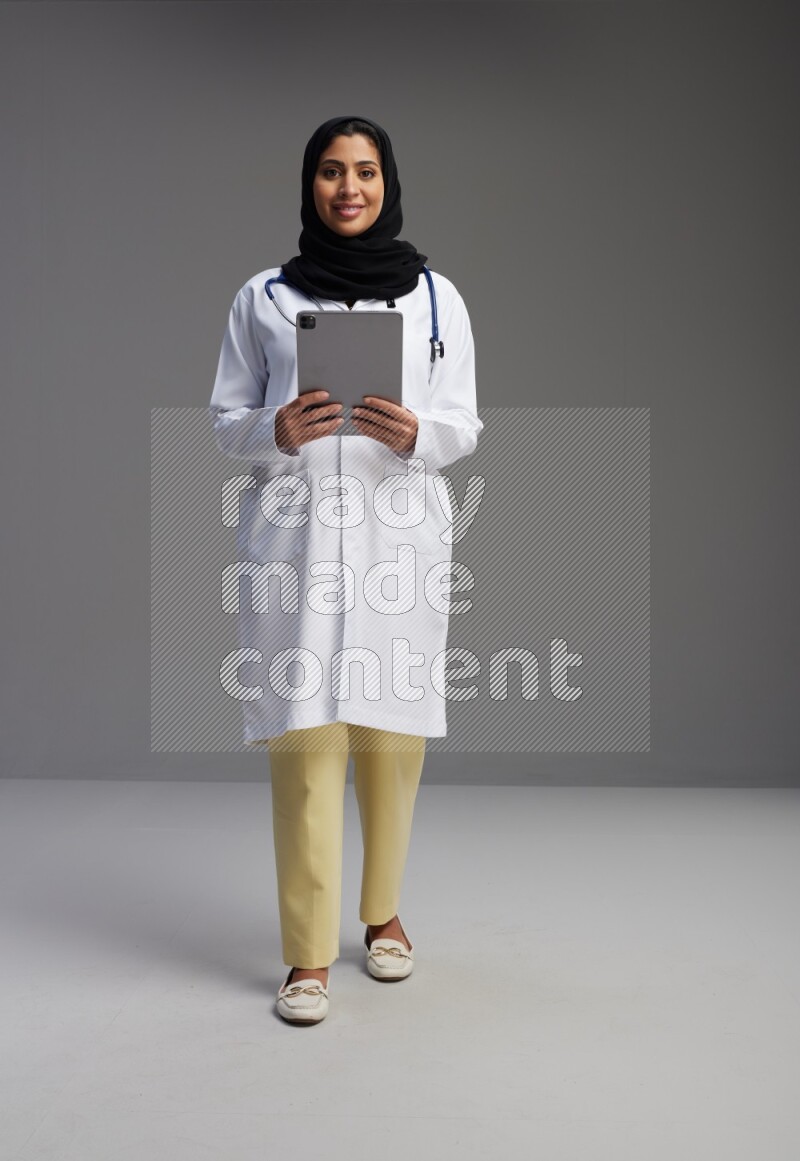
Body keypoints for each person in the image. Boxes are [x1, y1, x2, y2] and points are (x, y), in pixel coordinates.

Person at [208, 115, 482, 1023]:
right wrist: (271, 430)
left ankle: (385, 914)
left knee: (391, 741)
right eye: (331, 172)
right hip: (297, 541)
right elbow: (224, 417)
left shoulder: (437, 299)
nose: (349, 188)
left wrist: (422, 436)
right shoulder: (264, 298)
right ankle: (306, 955)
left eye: (364, 171)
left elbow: (463, 421)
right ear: (310, 185)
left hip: (396, 538)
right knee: (306, 741)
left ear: (387, 180)